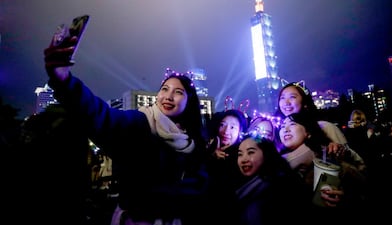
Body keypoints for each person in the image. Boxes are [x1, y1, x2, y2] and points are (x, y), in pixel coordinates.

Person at [44, 33, 209, 225]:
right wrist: (64, 80)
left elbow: (200, 189)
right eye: (164, 89)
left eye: (178, 92)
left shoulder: (193, 144)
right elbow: (100, 115)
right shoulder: (139, 123)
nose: (168, 96)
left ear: (189, 102)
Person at [278, 111, 369, 218]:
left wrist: (346, 197)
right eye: (282, 126)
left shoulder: (327, 157)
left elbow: (363, 186)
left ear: (308, 132)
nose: (285, 129)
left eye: (292, 124)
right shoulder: (277, 166)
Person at [275, 81, 366, 171]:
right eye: (282, 98)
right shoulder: (280, 133)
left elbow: (354, 164)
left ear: (305, 102)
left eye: (292, 97)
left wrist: (340, 151)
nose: (286, 102)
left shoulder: (324, 127)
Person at [235, 131, 309, 224]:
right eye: (240, 154)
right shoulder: (237, 181)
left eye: (251, 152)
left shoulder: (282, 186)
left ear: (266, 154)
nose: (244, 159)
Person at [205, 109, 248, 225]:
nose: (226, 131)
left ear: (240, 131)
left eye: (233, 127)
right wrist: (211, 156)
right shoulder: (207, 150)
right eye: (222, 125)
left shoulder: (243, 157)